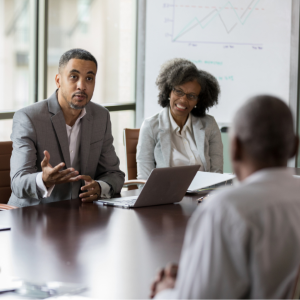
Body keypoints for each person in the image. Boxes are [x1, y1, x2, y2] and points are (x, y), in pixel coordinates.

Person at [150, 95, 300, 299]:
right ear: (294, 146)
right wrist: (193, 279)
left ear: (235, 147)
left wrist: (165, 291)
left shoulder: (227, 209)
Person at [8, 49, 125, 207]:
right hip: (31, 217)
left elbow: (114, 174)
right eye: (74, 77)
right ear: (58, 80)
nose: (82, 86)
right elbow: (18, 182)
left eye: (89, 78)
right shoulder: (29, 118)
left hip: (80, 216)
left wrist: (99, 187)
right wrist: (43, 179)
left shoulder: (101, 117)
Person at [136, 58, 223, 180]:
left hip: (203, 196)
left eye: (192, 96)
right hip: (166, 195)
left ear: (199, 100)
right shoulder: (151, 125)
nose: (183, 100)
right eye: (178, 91)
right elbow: (144, 178)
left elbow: (217, 172)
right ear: (169, 91)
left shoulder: (209, 124)